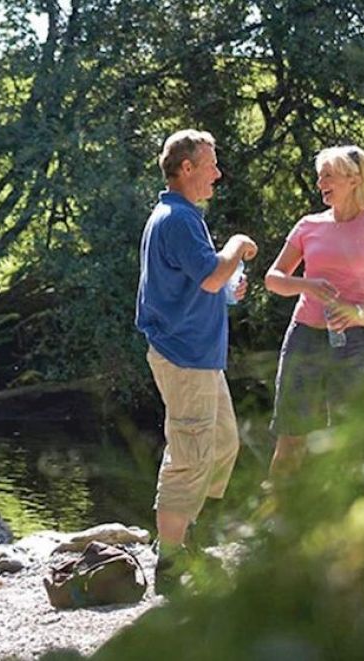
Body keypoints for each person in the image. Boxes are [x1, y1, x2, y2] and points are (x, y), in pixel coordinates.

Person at [135, 129, 258, 587]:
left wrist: (227, 291)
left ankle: (184, 533)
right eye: (211, 165)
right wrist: (236, 245)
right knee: (189, 454)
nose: (218, 174)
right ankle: (169, 561)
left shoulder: (182, 216)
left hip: (200, 356)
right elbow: (208, 275)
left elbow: (198, 284)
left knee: (222, 444)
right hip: (184, 356)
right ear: (186, 168)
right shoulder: (177, 219)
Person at [265, 145, 364, 481]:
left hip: (355, 342)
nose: (320, 183)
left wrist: (362, 311)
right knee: (291, 435)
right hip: (303, 338)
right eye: (319, 176)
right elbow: (273, 279)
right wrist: (307, 285)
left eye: (327, 176)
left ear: (354, 179)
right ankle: (276, 512)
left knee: (350, 438)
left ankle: (347, 512)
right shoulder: (308, 225)